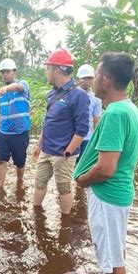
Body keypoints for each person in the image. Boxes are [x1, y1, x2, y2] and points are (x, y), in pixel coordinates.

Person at [73, 52, 138, 274]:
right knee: (116, 250)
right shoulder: (129, 108)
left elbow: (106, 168)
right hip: (120, 194)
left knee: (112, 264)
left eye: (97, 74)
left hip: (108, 196)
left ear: (106, 80)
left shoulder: (114, 113)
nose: (93, 80)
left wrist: (82, 180)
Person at [33, 49, 89, 215]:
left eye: (48, 69)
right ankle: (36, 215)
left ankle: (65, 222)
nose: (47, 72)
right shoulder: (52, 94)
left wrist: (68, 151)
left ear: (57, 69)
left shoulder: (78, 95)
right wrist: (39, 144)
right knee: (39, 182)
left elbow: (82, 128)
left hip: (63, 153)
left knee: (63, 188)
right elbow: (48, 121)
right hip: (46, 150)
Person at [0, 58, 30, 192]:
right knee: (1, 161)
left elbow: (18, 87)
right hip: (3, 132)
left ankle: (20, 183)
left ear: (14, 72)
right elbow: (1, 111)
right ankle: (0, 188)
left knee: (20, 162)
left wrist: (6, 88)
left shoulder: (23, 85)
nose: (5, 74)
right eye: (3, 72)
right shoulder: (1, 93)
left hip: (20, 132)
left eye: (8, 71)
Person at [76, 64, 102, 162]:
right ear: (78, 79)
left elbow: (96, 120)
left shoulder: (96, 99)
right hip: (72, 137)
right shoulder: (71, 95)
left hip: (87, 138)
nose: (86, 82)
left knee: (83, 166)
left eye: (89, 78)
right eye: (84, 78)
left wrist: (97, 140)